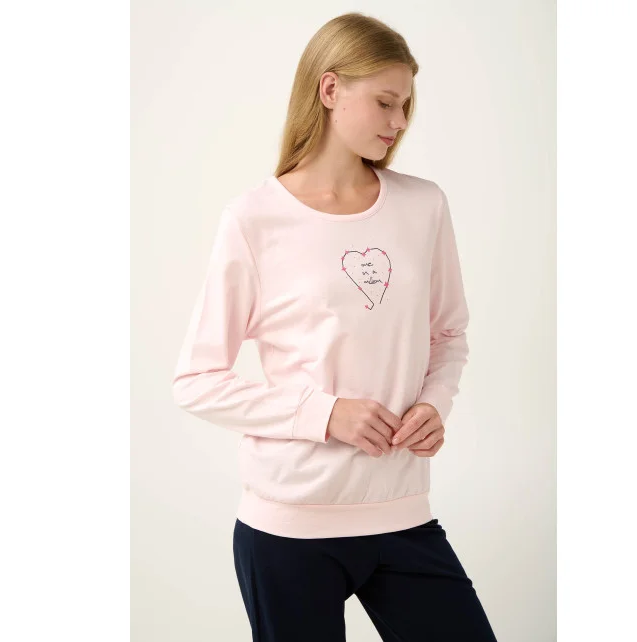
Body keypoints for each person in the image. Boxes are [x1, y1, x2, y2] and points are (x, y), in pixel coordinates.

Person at [171, 11, 497, 642]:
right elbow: (196, 381)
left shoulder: (423, 205)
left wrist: (435, 403)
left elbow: (448, 335)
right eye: (385, 102)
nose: (399, 121)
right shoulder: (254, 219)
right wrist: (325, 415)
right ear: (329, 90)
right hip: (288, 527)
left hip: (401, 514)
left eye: (406, 105)